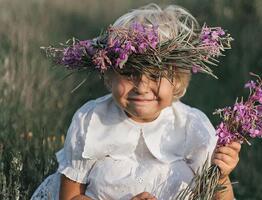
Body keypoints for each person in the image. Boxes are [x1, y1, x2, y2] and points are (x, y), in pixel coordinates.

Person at [31, 3, 240, 200]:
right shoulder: (91, 119)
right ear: (110, 75)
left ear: (176, 80)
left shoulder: (192, 124)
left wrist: (221, 176)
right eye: (129, 73)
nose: (141, 87)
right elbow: (70, 197)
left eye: (156, 75)